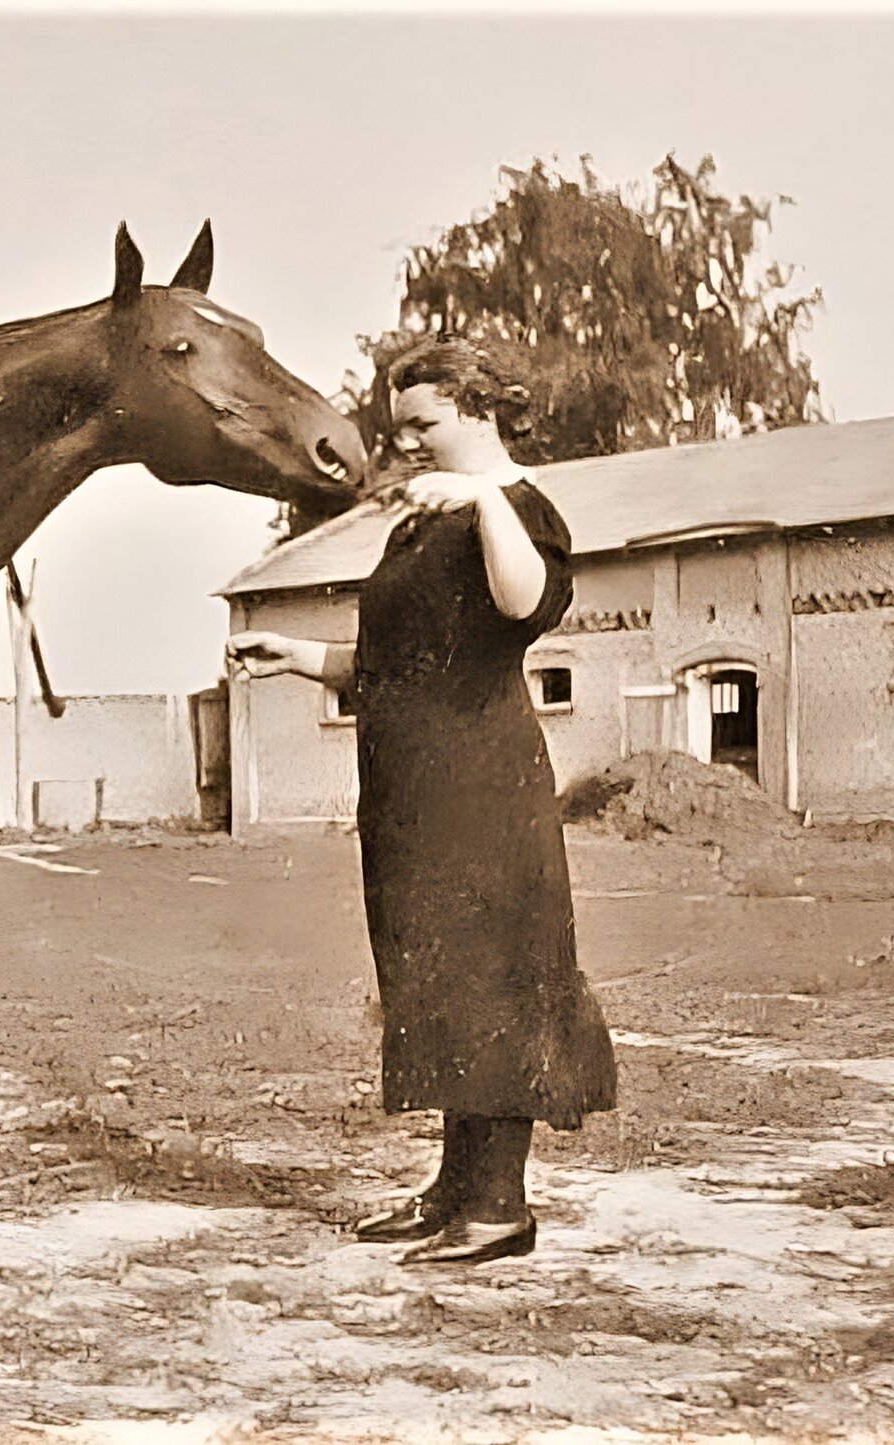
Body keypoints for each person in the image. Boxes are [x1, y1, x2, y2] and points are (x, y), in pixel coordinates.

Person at [228, 337, 616, 1265]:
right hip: (411, 793)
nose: (404, 445)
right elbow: (401, 664)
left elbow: (521, 605)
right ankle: (455, 1188)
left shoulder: (515, 508)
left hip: (482, 789)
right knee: (438, 983)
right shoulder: (416, 521)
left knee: (494, 978)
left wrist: (482, 499)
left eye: (422, 425)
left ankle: (501, 1206)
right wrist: (296, 652)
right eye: (396, 428)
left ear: (478, 410)